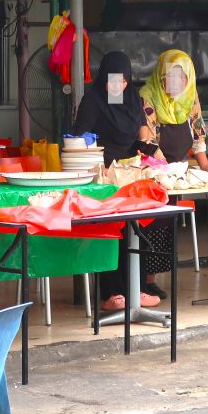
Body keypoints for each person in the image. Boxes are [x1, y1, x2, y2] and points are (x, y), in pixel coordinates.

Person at [73, 51, 159, 311]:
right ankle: (110, 294)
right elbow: (79, 141)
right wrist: (102, 165)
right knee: (112, 232)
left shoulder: (133, 99)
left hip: (130, 175)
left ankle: (138, 288)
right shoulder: (93, 101)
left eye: (122, 81)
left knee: (138, 228)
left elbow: (142, 133)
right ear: (103, 80)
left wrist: (155, 157)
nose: (117, 86)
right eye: (112, 81)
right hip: (102, 176)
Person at [139, 50, 208, 298]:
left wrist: (205, 165)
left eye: (182, 77)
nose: (177, 83)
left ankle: (150, 280)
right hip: (154, 171)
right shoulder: (148, 97)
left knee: (166, 226)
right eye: (171, 76)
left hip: (176, 171)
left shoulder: (191, 98)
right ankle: (140, 280)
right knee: (148, 224)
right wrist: (163, 170)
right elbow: (147, 140)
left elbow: (198, 133)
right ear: (161, 76)